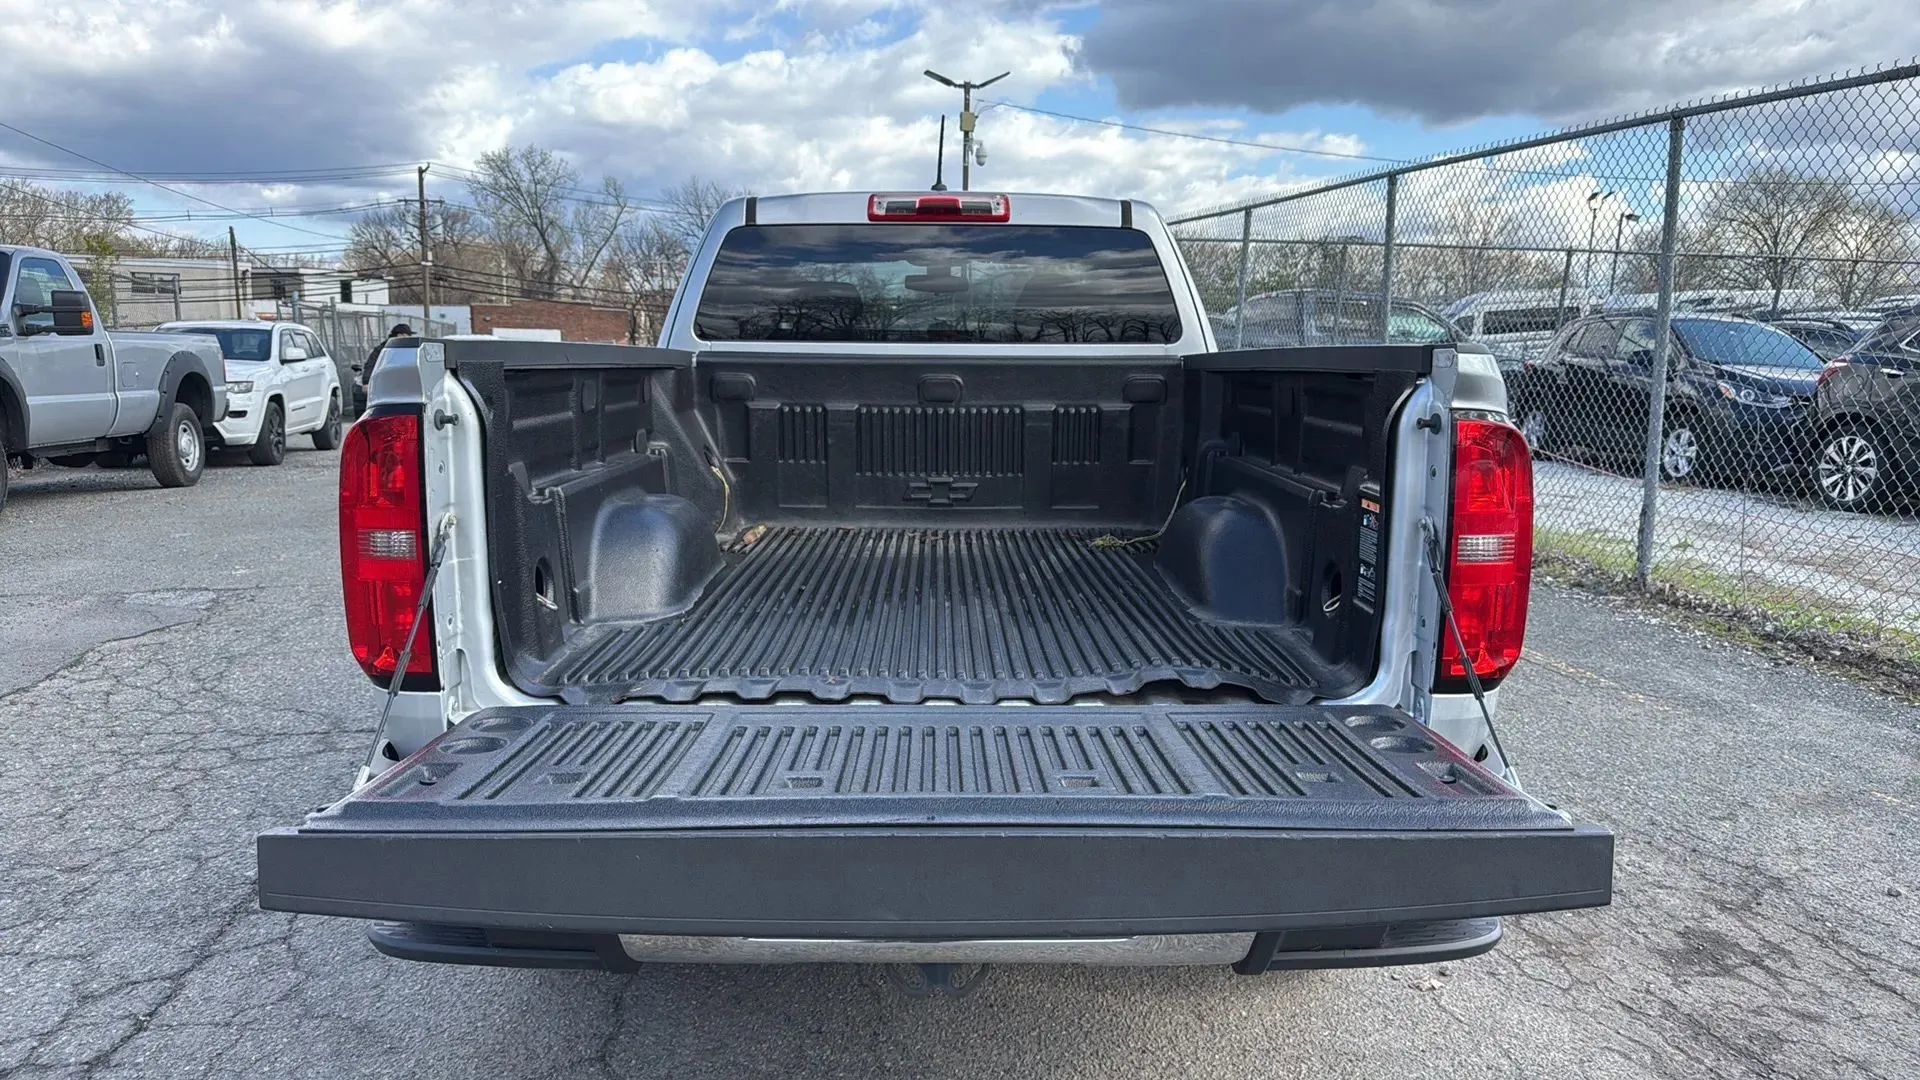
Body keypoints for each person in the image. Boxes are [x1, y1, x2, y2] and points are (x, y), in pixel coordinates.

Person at [353, 324, 415, 416]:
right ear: (400, 335)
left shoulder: (406, 348)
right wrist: (366, 382)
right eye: (408, 335)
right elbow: (371, 364)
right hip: (385, 386)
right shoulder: (384, 349)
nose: (410, 337)